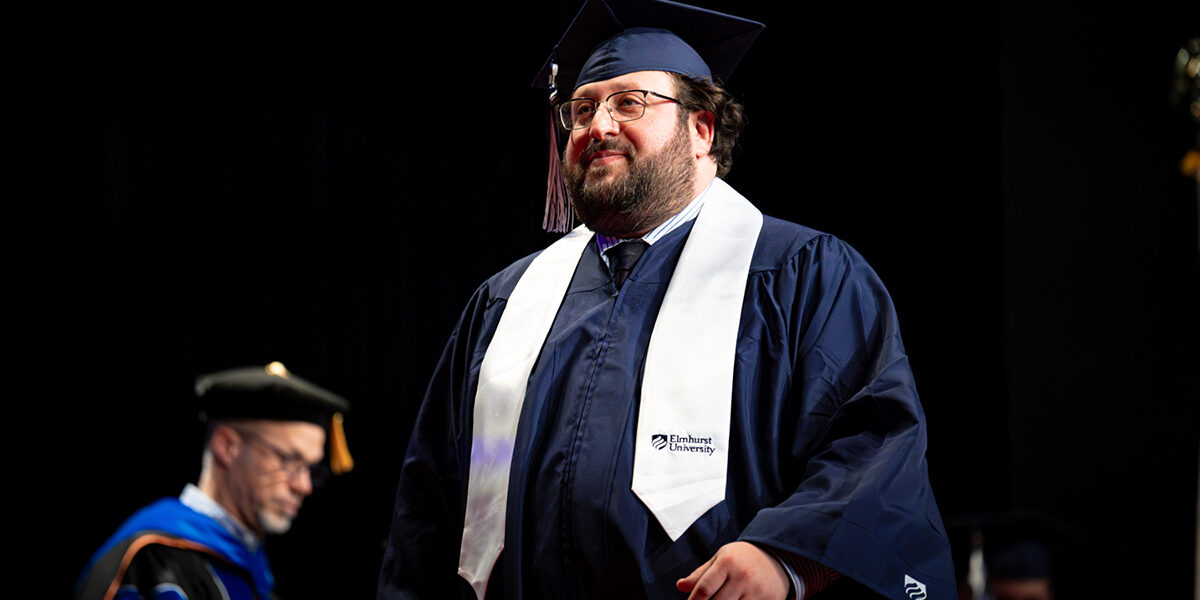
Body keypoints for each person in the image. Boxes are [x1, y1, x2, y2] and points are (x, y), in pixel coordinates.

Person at [377, 1, 955, 598]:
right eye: (580, 109)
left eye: (629, 102)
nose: (597, 125)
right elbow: (431, 507)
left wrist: (787, 557)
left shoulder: (799, 275)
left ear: (701, 130)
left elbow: (873, 440)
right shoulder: (506, 301)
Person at [75, 362, 353, 600]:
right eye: (288, 461)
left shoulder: (253, 569)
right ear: (227, 446)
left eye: (311, 470)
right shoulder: (153, 563)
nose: (303, 486)